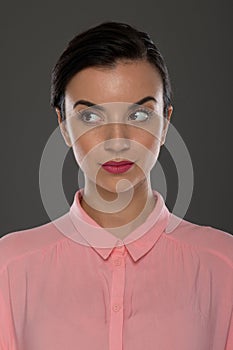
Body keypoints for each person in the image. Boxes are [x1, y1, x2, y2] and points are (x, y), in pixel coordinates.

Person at [0, 21, 232, 350]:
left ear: (165, 122)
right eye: (90, 117)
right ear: (63, 126)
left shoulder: (224, 266)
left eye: (139, 115)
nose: (117, 141)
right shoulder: (9, 268)